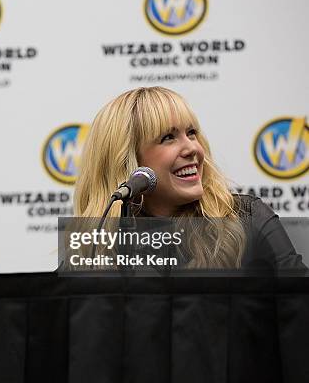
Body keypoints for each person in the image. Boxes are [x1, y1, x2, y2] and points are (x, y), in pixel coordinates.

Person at [73, 86, 304, 271]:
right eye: (168, 137)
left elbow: (300, 306)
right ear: (127, 162)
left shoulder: (247, 217)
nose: (192, 148)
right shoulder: (97, 242)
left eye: (192, 133)